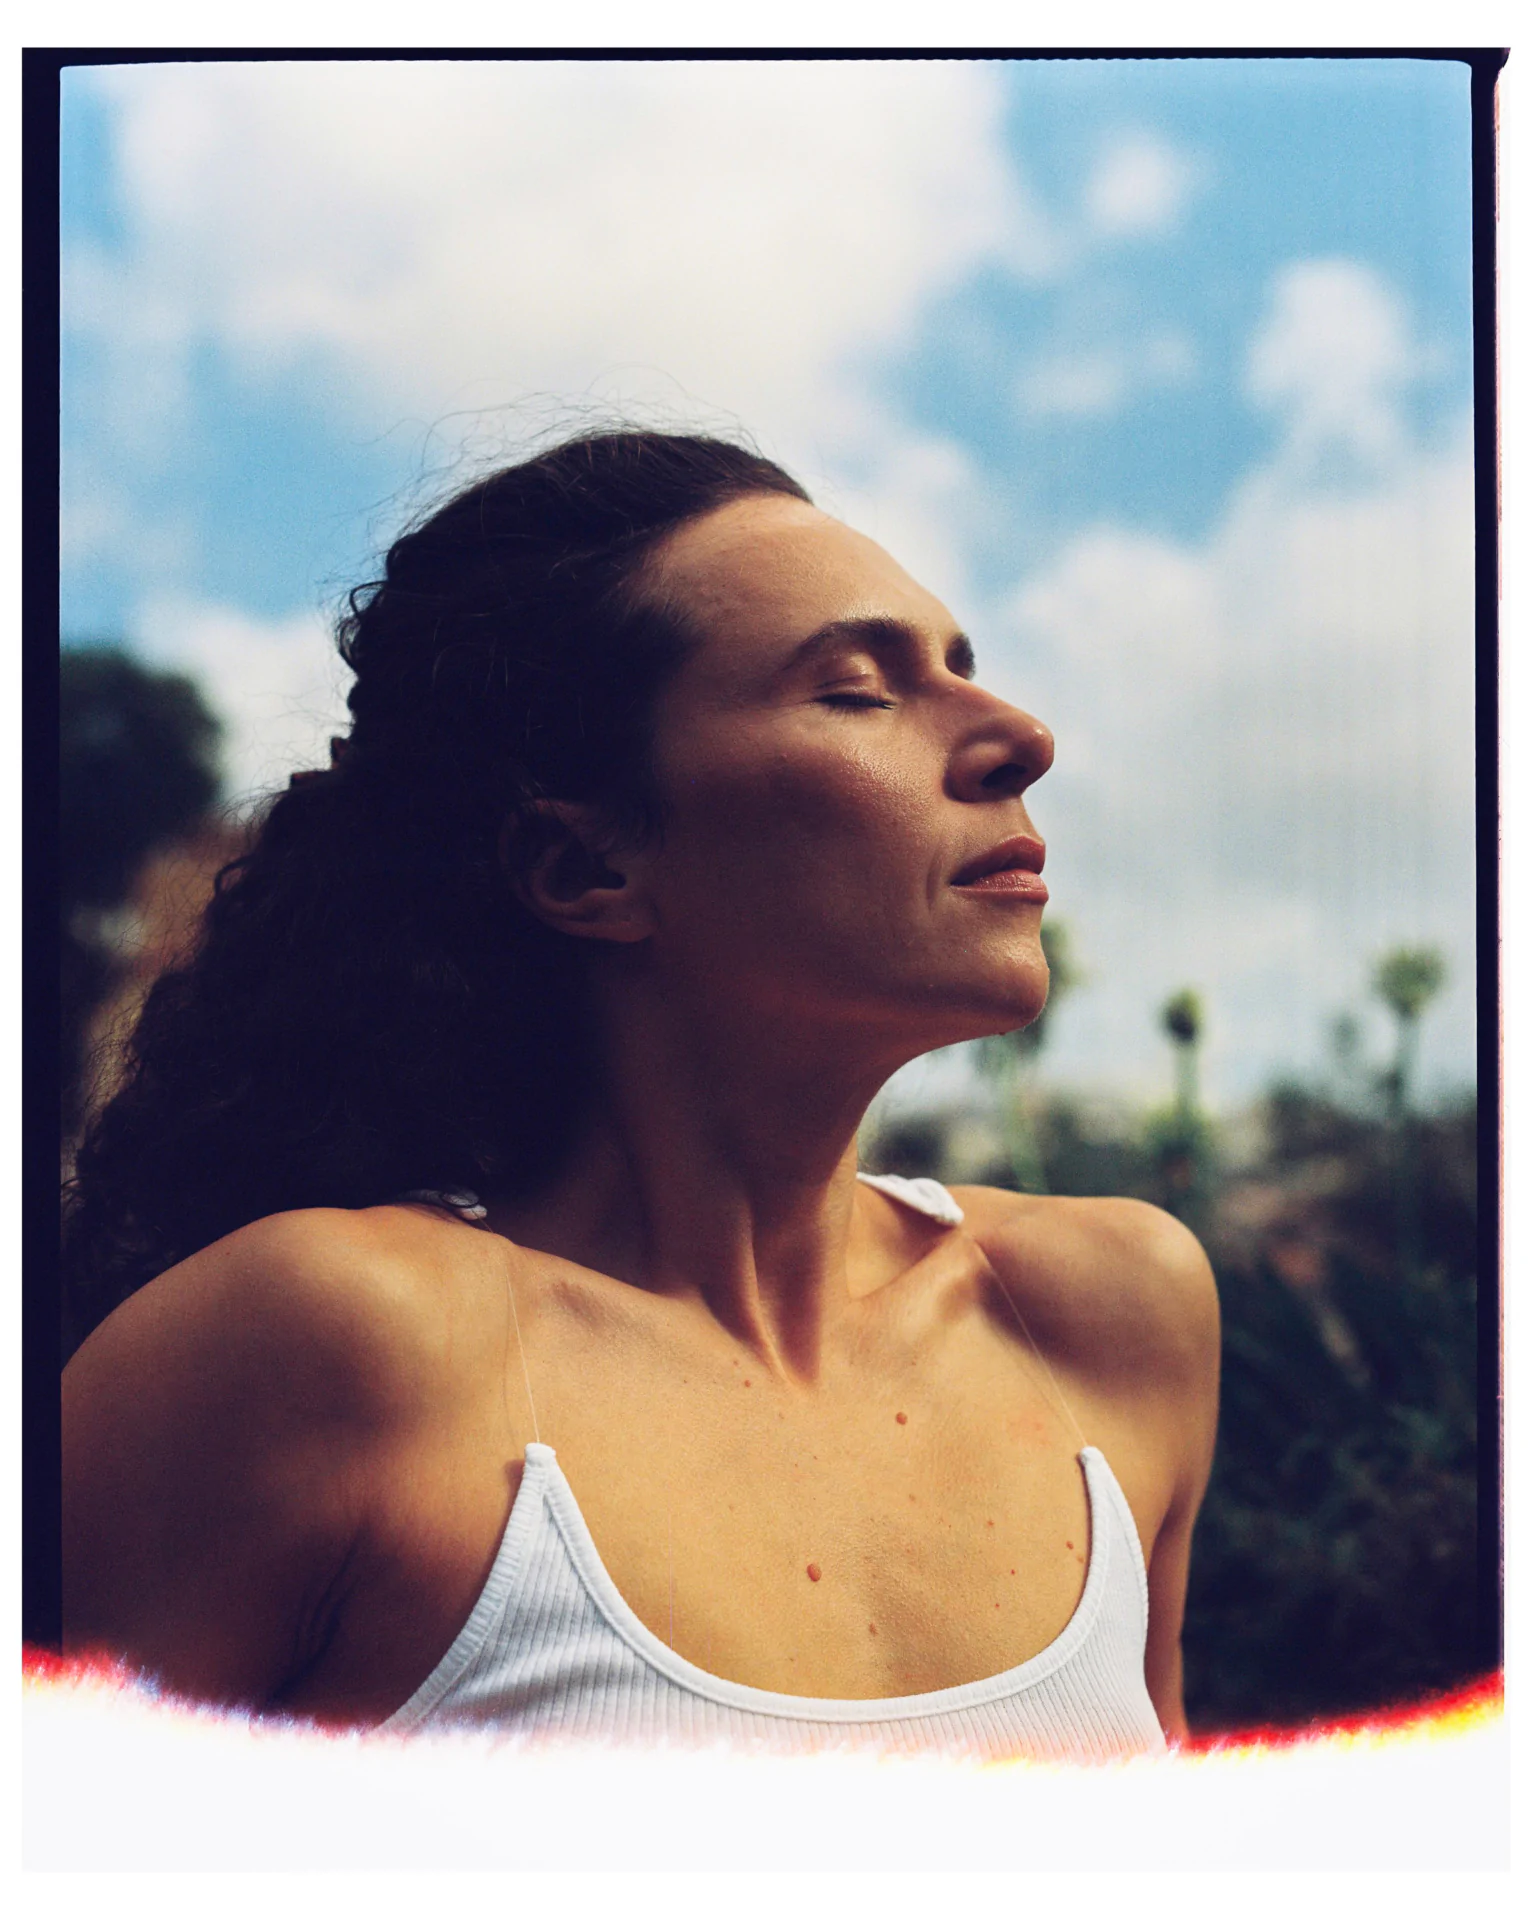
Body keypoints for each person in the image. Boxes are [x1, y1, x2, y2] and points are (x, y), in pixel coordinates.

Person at [61, 430, 1219, 1760]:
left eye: (962, 668)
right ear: (582, 866)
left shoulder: (1109, 1316)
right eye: (855, 692)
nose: (1021, 738)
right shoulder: (332, 1347)